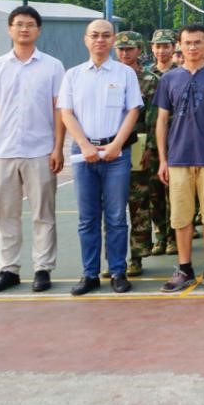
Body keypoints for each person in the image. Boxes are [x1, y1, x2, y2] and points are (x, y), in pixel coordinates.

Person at [0, 5, 66, 294]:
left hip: (40, 150)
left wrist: (57, 148)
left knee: (43, 213)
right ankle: (9, 268)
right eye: (18, 24)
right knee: (5, 214)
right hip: (2, 151)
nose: (24, 29)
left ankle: (43, 268)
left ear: (38, 30)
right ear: (9, 29)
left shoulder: (52, 66)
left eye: (30, 24)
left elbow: (58, 111)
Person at [58, 19, 143, 295]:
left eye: (106, 35)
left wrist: (118, 144)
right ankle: (90, 273)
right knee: (87, 218)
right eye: (95, 35)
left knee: (117, 217)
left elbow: (132, 111)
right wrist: (83, 145)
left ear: (113, 40)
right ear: (86, 40)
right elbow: (66, 113)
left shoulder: (125, 74)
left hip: (116, 154)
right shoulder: (73, 75)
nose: (100, 40)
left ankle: (118, 271)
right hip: (84, 154)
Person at [155, 24, 204, 293]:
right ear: (180, 45)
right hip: (178, 159)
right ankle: (184, 268)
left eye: (198, 42)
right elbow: (161, 121)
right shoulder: (169, 79)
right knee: (181, 217)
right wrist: (163, 160)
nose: (192, 47)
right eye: (187, 43)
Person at [113, 30, 160, 277]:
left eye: (129, 49)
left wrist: (151, 147)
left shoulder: (150, 80)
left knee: (139, 205)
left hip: (139, 147)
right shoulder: (107, 76)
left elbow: (155, 118)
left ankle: (137, 257)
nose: (124, 53)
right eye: (120, 49)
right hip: (110, 148)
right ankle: (115, 259)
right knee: (112, 208)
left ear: (139, 50)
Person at [146, 29, 177, 256]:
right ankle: (161, 236)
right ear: (151, 48)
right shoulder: (147, 75)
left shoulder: (180, 73)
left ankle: (175, 237)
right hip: (151, 142)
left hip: (176, 140)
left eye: (166, 46)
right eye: (158, 46)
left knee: (175, 194)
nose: (161, 50)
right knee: (155, 195)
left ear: (173, 48)